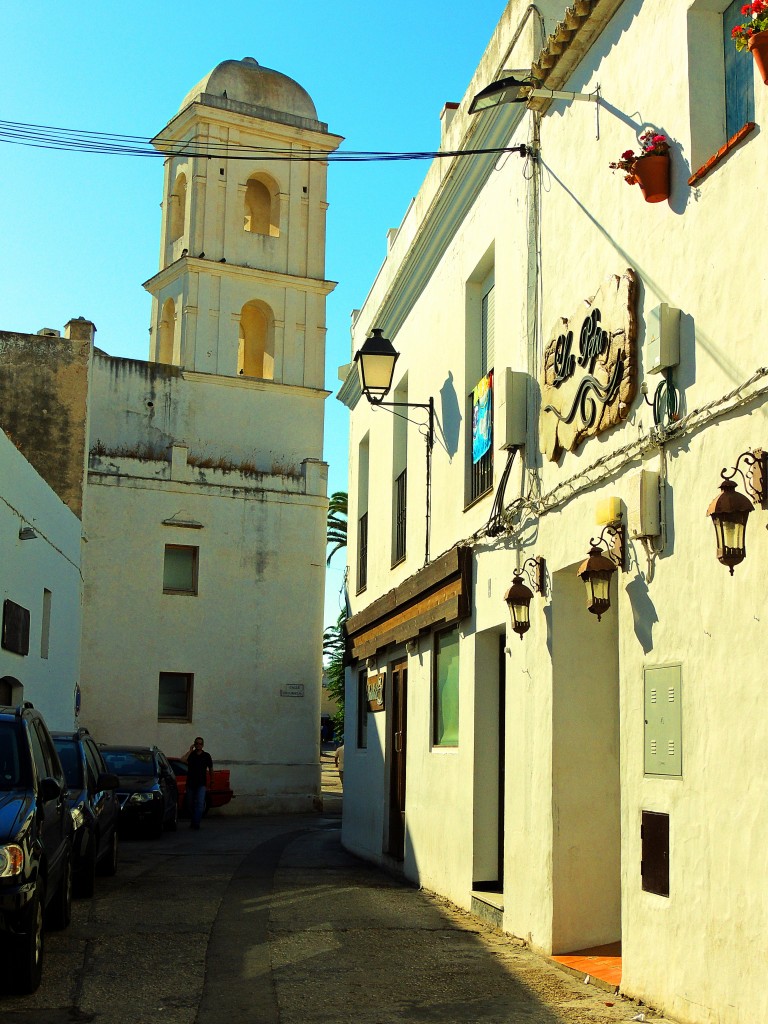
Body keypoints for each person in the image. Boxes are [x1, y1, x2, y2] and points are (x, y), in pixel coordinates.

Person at [182, 736, 213, 830]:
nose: (198, 745)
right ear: (194, 744)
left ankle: (196, 823)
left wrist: (212, 780)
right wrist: (190, 750)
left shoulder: (206, 756)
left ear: (203, 745)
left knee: (200, 804)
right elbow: (182, 760)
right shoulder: (191, 755)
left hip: (201, 784)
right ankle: (193, 820)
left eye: (200, 743)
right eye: (197, 743)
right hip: (190, 783)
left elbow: (211, 768)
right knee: (189, 804)